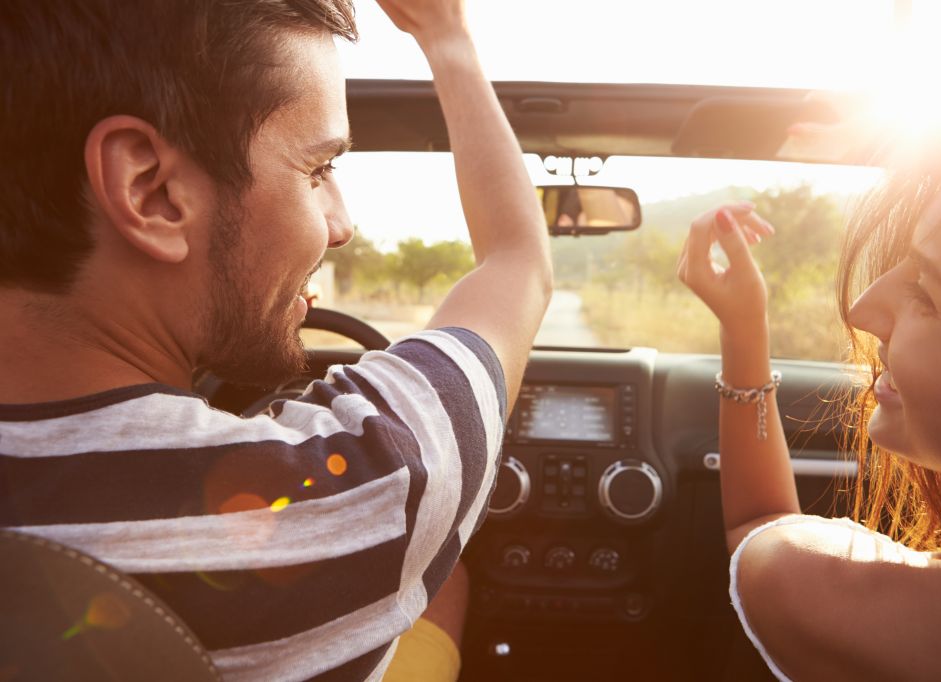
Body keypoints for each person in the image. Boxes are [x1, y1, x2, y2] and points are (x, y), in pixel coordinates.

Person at [0, 1, 552, 681]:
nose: (341, 223)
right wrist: (448, 37)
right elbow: (518, 264)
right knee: (450, 580)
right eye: (318, 171)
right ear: (151, 191)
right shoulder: (356, 492)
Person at [677, 66, 941, 680]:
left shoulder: (861, 607)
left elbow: (761, 529)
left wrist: (743, 326)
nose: (864, 311)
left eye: (929, 293)